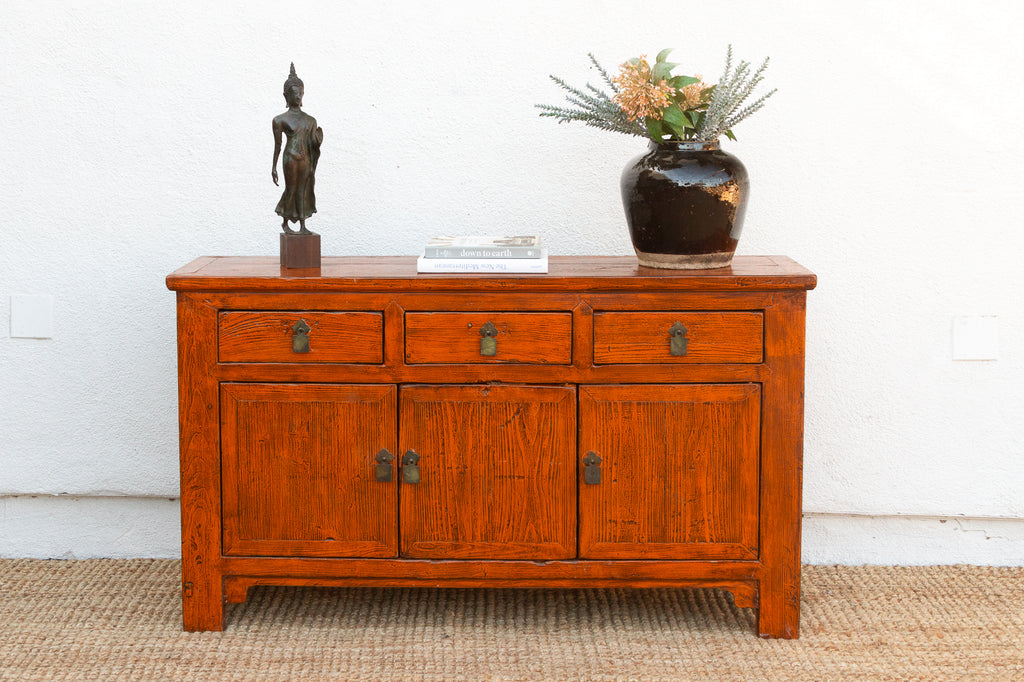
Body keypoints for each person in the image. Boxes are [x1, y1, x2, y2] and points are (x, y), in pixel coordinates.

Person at [272, 64, 323, 234]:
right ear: (286, 95)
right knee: (291, 189)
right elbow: (278, 145)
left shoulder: (310, 120)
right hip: (290, 158)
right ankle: (285, 222)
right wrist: (273, 167)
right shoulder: (280, 120)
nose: (298, 96)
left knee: (303, 189)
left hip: (305, 158)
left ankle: (302, 225)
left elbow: (312, 145)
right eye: (294, 93)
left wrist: (317, 142)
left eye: (300, 93)